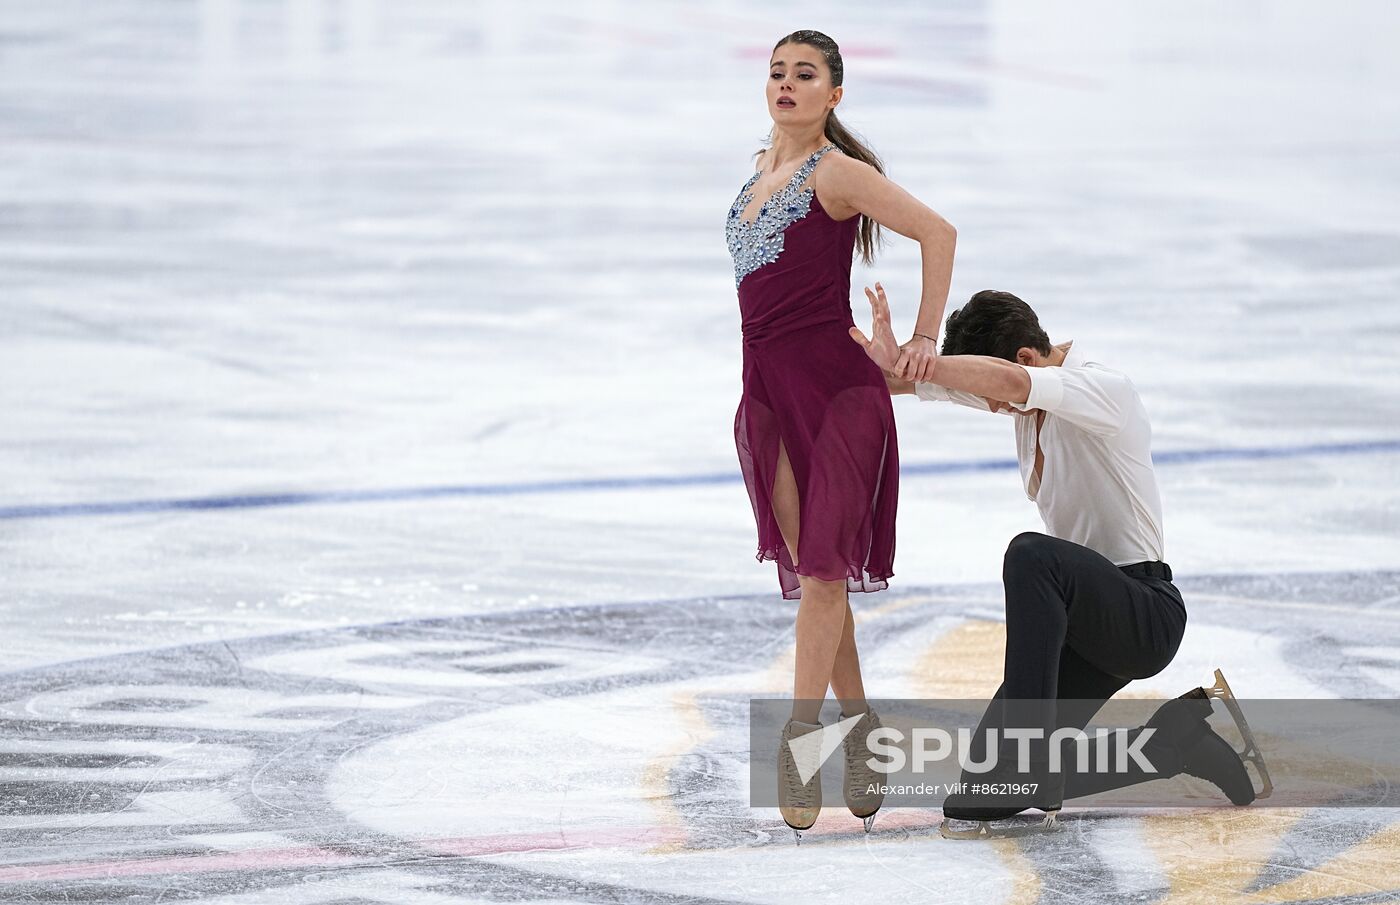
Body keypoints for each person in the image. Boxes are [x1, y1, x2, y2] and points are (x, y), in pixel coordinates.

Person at [850, 286, 1271, 838]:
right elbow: (916, 382)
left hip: (1142, 611)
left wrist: (940, 365)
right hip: (1081, 624)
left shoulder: (1099, 388)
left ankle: (1032, 747)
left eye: (998, 395)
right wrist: (891, 363)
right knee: (981, 794)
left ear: (1025, 357)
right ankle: (1173, 743)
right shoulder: (1025, 393)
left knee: (1031, 555)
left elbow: (1005, 386)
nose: (995, 409)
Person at [725, 30, 956, 842]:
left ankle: (800, 745)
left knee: (824, 575)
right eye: (779, 72)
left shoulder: (838, 173)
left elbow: (939, 233)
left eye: (806, 75)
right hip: (770, 397)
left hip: (839, 398)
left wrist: (924, 338)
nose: (787, 84)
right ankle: (863, 737)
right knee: (819, 575)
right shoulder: (761, 169)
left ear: (835, 94)